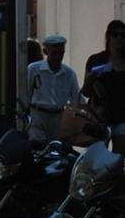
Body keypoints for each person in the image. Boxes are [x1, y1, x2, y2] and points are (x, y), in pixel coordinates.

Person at [25, 34, 80, 142]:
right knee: (38, 147)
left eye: (61, 53)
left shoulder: (69, 73)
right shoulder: (33, 69)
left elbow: (77, 99)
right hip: (38, 115)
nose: (58, 56)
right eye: (54, 53)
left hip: (58, 118)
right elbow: (26, 93)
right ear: (46, 52)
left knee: (57, 149)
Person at [83, 20, 125, 151]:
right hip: (100, 117)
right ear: (108, 37)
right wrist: (90, 81)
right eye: (115, 34)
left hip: (122, 117)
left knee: (118, 158)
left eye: (123, 35)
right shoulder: (96, 60)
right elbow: (86, 92)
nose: (119, 38)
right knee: (98, 159)